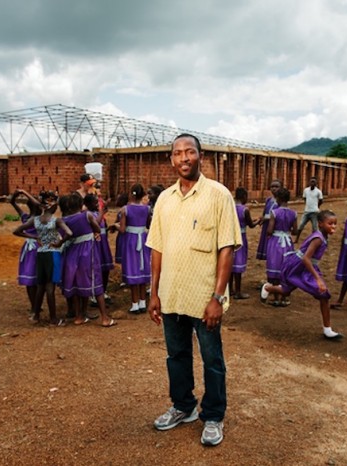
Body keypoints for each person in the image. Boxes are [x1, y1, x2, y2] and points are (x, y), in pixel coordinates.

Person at [147, 133, 242, 447]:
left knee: (212, 359)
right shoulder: (164, 199)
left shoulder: (218, 195)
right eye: (177, 153)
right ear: (171, 159)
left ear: (201, 156)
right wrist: (154, 292)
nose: (184, 158)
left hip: (204, 298)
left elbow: (227, 249)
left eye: (190, 152)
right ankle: (183, 406)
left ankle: (213, 416)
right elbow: (156, 248)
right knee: (176, 356)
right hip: (172, 294)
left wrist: (217, 297)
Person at [260, 210, 343, 341]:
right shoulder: (318, 239)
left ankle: (327, 329)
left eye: (335, 224)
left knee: (293, 292)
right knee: (315, 292)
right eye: (330, 223)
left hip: (305, 266)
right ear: (320, 224)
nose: (333, 226)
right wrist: (318, 279)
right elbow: (306, 258)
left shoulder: (323, 236)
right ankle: (268, 288)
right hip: (298, 266)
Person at [13, 191, 71, 326]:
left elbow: (16, 231)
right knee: (50, 287)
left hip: (40, 253)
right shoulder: (56, 221)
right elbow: (69, 233)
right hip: (53, 253)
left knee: (40, 286)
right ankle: (53, 319)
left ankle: (35, 315)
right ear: (51, 206)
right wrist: (59, 243)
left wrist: (34, 237)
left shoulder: (35, 220)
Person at [59, 193, 117, 327]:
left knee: (78, 283)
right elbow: (96, 227)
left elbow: (64, 236)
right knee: (96, 282)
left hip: (71, 254)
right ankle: (105, 318)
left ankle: (80, 316)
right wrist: (94, 233)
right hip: (87, 253)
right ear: (81, 205)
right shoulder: (86, 215)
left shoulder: (64, 220)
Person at [119, 183, 151, 314]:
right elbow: (149, 224)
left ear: (130, 193)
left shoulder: (125, 209)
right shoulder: (147, 209)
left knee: (133, 269)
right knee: (142, 269)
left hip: (131, 241)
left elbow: (122, 229)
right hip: (143, 239)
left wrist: (116, 226)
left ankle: (135, 304)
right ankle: (143, 302)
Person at [10, 188, 42, 317]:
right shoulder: (37, 219)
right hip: (36, 248)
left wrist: (18, 194)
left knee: (32, 279)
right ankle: (35, 307)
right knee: (34, 279)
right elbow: (37, 204)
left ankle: (35, 305)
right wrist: (24, 192)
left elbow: (12, 202)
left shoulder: (26, 217)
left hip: (29, 249)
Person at [264, 187, 297, 306]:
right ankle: (285, 298)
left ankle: (276, 298)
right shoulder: (293, 213)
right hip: (287, 242)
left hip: (275, 242)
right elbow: (295, 231)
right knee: (286, 268)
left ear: (277, 199)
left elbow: (269, 230)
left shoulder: (275, 213)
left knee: (274, 268)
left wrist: (269, 235)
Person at [230, 187, 260, 299]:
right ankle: (238, 292)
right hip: (240, 238)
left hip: (230, 237)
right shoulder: (244, 210)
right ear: (244, 197)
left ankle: (230, 290)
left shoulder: (230, 207)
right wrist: (258, 221)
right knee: (238, 264)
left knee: (230, 264)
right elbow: (251, 225)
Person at [255, 179, 281, 260]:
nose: (274, 188)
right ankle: (265, 254)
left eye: (276, 187)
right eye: (272, 187)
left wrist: (266, 218)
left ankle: (272, 255)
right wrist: (261, 219)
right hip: (266, 223)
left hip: (274, 224)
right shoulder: (268, 200)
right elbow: (265, 211)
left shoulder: (281, 201)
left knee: (272, 239)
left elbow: (280, 214)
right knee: (265, 238)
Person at [295, 177, 323, 243]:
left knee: (315, 228)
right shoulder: (306, 190)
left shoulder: (318, 191)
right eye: (311, 181)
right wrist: (307, 205)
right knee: (301, 225)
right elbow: (304, 198)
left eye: (314, 182)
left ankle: (314, 240)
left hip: (315, 212)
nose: (312, 183)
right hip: (306, 211)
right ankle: (296, 239)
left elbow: (321, 200)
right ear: (309, 182)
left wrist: (317, 206)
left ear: (316, 183)